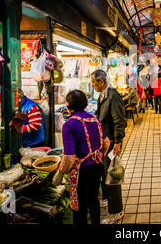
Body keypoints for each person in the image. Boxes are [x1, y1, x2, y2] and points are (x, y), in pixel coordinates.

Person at [53, 90, 110, 225]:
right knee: (93, 200)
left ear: (68, 104)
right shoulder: (94, 119)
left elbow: (69, 157)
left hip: (81, 172)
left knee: (80, 206)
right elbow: (106, 142)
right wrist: (99, 155)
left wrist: (60, 172)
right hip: (97, 167)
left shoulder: (69, 125)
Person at [91, 69, 127, 224]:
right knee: (104, 171)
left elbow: (120, 121)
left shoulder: (113, 95)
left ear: (101, 82)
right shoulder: (102, 95)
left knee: (112, 175)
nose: (92, 85)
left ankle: (116, 211)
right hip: (104, 142)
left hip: (112, 142)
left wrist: (118, 142)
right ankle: (106, 199)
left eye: (93, 82)